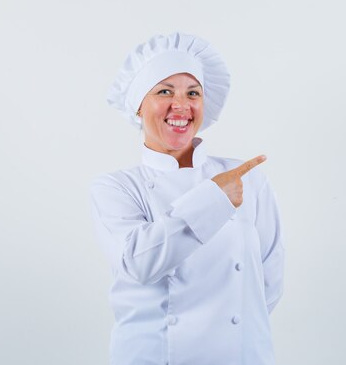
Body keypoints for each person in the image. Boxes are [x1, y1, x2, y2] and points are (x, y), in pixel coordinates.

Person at [90, 32, 285, 365]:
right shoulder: (117, 188)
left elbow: (268, 282)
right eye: (164, 91)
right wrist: (214, 199)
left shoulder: (246, 177)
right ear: (138, 106)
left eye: (192, 93)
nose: (180, 105)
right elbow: (139, 263)